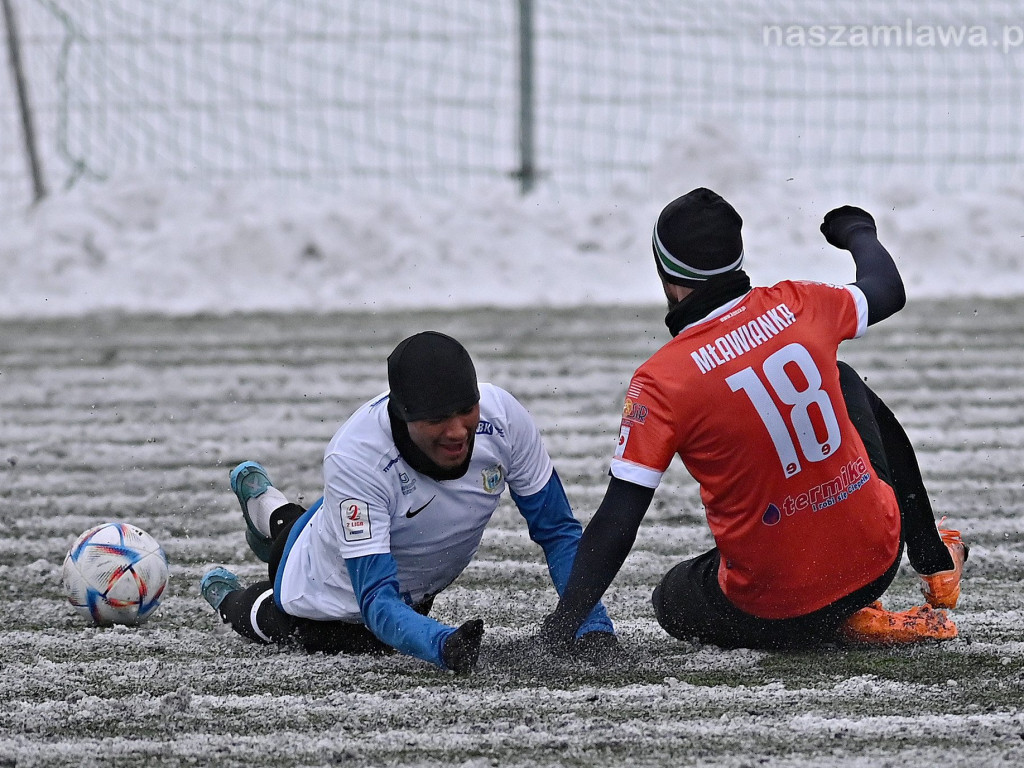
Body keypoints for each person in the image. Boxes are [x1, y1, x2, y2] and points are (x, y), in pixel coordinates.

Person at [539, 188, 968, 650]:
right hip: (874, 566)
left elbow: (618, 520)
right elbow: (887, 289)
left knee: (671, 597)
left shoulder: (661, 380)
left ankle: (831, 619)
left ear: (665, 273)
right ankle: (932, 560)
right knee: (843, 378)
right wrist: (857, 231)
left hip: (773, 612)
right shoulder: (799, 304)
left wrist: (562, 628)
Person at [200, 331, 615, 672]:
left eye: (466, 409)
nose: (457, 431)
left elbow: (559, 532)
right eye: (437, 419)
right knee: (271, 612)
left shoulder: (502, 416)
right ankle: (225, 594)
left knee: (314, 522)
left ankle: (265, 506)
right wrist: (441, 643)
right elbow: (377, 600)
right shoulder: (357, 457)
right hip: (327, 597)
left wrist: (591, 624)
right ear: (402, 415)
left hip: (379, 558)